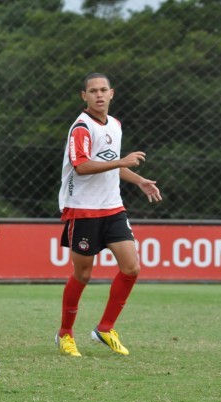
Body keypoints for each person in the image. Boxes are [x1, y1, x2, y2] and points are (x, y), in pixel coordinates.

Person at [56, 73, 162, 357]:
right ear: (84, 96)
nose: (99, 95)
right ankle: (65, 333)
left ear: (112, 93)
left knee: (131, 268)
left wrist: (138, 179)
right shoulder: (81, 127)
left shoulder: (114, 125)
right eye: (93, 91)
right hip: (82, 210)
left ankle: (105, 328)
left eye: (103, 90)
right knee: (84, 274)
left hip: (113, 207)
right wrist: (122, 161)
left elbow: (111, 165)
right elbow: (81, 167)